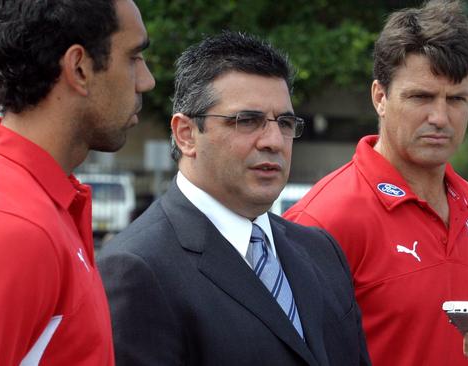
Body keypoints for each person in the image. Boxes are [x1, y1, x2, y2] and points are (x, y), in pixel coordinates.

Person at [97, 31, 371, 366]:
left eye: (284, 122)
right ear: (186, 135)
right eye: (247, 121)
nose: (273, 140)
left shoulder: (320, 250)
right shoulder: (137, 269)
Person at [0, 0, 154, 364]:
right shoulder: (7, 224)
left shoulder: (14, 195)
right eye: (133, 58)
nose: (146, 81)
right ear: (79, 68)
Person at [284, 1, 468, 365]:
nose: (440, 117)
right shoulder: (322, 220)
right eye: (421, 96)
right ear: (380, 97)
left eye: (457, 99)